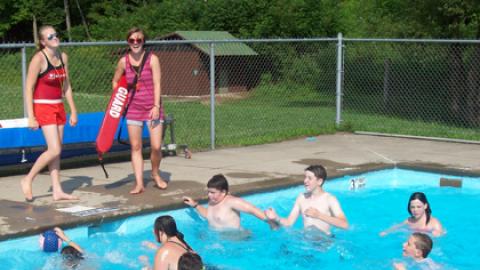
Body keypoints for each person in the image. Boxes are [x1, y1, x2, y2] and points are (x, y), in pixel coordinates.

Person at [20, 25, 78, 202]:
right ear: (43, 41)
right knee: (54, 149)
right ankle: (28, 178)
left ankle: (57, 190)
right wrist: (31, 116)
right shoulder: (39, 58)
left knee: (56, 152)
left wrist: (73, 110)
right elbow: (28, 88)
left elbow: (66, 85)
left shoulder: (63, 56)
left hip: (58, 106)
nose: (54, 38)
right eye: (50, 36)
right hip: (43, 106)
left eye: (56, 34)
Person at [112, 27, 167, 194]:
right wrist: (121, 100)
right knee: (136, 147)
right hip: (133, 109)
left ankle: (155, 173)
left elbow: (157, 83)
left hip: (152, 108)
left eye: (139, 40)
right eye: (132, 40)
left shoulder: (152, 59)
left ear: (144, 42)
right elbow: (115, 82)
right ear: (128, 42)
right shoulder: (123, 61)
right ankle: (139, 183)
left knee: (156, 146)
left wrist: (156, 106)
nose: (135, 43)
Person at [264, 165, 349, 236]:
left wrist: (319, 215)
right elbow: (289, 222)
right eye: (305, 177)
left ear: (319, 181)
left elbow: (345, 224)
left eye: (309, 178)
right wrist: (276, 218)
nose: (305, 181)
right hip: (306, 240)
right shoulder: (301, 198)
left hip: (324, 243)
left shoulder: (330, 199)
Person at [183, 174, 272, 230]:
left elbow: (253, 210)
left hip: (236, 241)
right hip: (218, 241)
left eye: (213, 192)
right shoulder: (213, 201)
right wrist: (195, 206)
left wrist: (273, 222)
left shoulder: (232, 202)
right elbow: (210, 215)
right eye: (208, 192)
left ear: (223, 192)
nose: (209, 195)